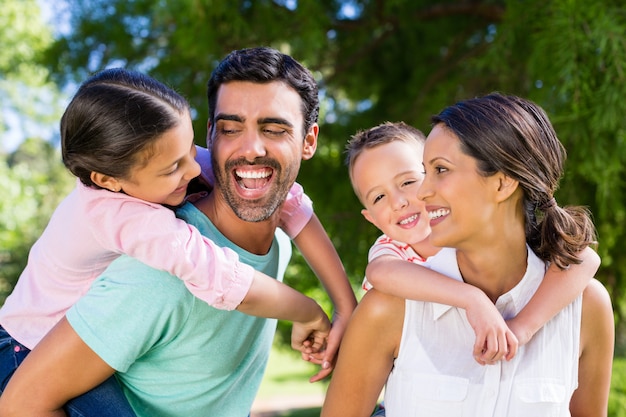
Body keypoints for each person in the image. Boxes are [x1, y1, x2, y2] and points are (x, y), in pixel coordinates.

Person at [0, 47, 355, 416]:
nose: (194, 170)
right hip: (22, 343)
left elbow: (293, 205)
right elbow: (223, 278)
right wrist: (307, 310)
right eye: (231, 129)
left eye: (275, 129)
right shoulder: (153, 249)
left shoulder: (181, 163)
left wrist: (345, 307)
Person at [322, 95, 614, 416]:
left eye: (440, 170)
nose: (420, 193)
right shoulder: (388, 307)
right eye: (425, 171)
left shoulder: (586, 308)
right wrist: (471, 298)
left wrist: (523, 327)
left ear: (502, 183)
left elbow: (585, 256)